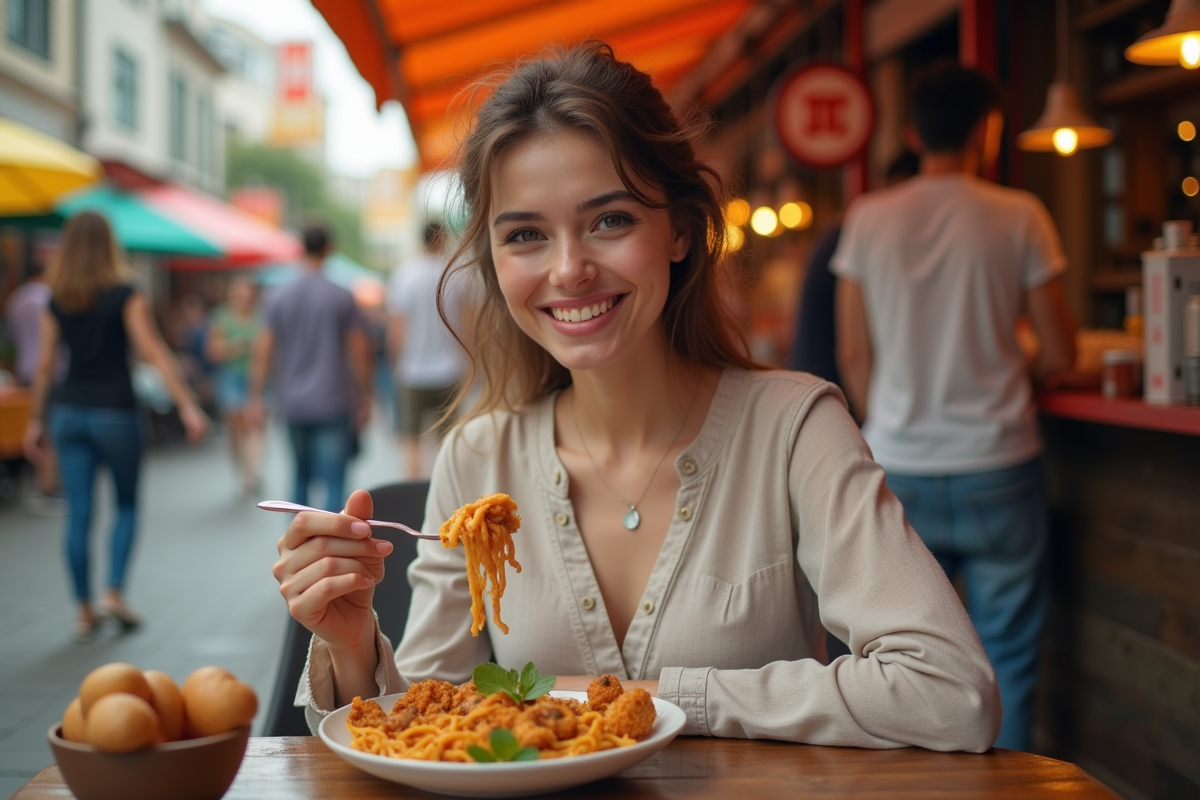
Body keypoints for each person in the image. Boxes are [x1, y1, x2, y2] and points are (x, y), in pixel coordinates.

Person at [272, 43, 1000, 752]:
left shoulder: (795, 429)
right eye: (525, 234)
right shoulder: (477, 455)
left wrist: (652, 702)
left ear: (679, 229)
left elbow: (950, 693)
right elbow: (430, 717)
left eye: (610, 220)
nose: (569, 269)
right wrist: (353, 642)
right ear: (493, 261)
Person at [832, 63, 1077, 751]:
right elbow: (1060, 352)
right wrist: (1006, 366)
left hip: (899, 470)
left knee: (895, 665)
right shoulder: (1020, 213)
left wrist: (896, 422)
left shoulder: (869, 217)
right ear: (987, 130)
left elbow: (854, 356)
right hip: (1001, 465)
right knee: (1009, 658)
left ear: (911, 132)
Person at [22, 211, 209, 643]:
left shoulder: (57, 297)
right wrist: (187, 404)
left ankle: (83, 609)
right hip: (116, 413)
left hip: (68, 412)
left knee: (78, 514)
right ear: (110, 245)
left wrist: (35, 419)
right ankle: (114, 593)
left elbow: (48, 364)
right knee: (125, 505)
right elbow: (152, 351)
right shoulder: (127, 293)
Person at [247, 224, 371, 512]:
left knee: (299, 476)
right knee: (334, 481)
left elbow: (263, 350)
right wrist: (365, 396)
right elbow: (359, 351)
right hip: (334, 400)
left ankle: (296, 549)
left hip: (292, 401)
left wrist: (255, 397)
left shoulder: (277, 296)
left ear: (301, 248)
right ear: (329, 249)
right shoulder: (341, 295)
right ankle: (330, 548)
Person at [788, 150, 919, 389]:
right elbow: (853, 353)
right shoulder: (855, 237)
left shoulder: (841, 234)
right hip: (831, 390)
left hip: (813, 382)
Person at [386, 221, 470, 477]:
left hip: (413, 371)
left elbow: (397, 327)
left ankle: (414, 494)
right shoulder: (455, 271)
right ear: (441, 238)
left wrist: (396, 363)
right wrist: (471, 362)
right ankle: (444, 497)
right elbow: (468, 321)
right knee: (446, 442)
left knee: (411, 440)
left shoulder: (404, 274)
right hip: (450, 370)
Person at [5, 261, 67, 511]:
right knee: (49, 429)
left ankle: (35, 482)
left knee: (30, 424)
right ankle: (48, 486)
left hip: (25, 369)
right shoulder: (49, 299)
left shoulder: (15, 300)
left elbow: (13, 338)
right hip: (52, 370)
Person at [206, 275, 263, 495]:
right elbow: (213, 351)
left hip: (253, 376)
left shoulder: (260, 317)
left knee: (254, 425)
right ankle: (242, 467)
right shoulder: (221, 316)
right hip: (229, 376)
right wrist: (240, 346)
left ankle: (251, 472)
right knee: (235, 427)